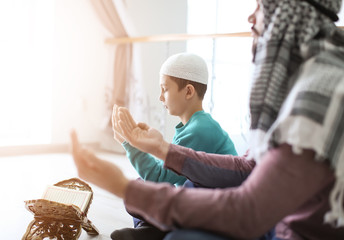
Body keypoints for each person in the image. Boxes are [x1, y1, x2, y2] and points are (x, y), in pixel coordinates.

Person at [70, 0, 344, 239]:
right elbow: (249, 167)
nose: (251, 18)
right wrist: (159, 148)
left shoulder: (320, 91)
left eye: (260, 5)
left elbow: (248, 213)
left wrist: (122, 186)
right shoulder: (304, 82)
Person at [112, 52, 237, 239]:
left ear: (188, 91)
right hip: (195, 203)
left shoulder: (201, 130)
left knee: (140, 192)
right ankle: (152, 231)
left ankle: (152, 232)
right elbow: (167, 175)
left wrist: (130, 144)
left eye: (165, 89)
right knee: (138, 188)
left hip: (214, 212)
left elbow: (160, 179)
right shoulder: (195, 125)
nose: (160, 97)